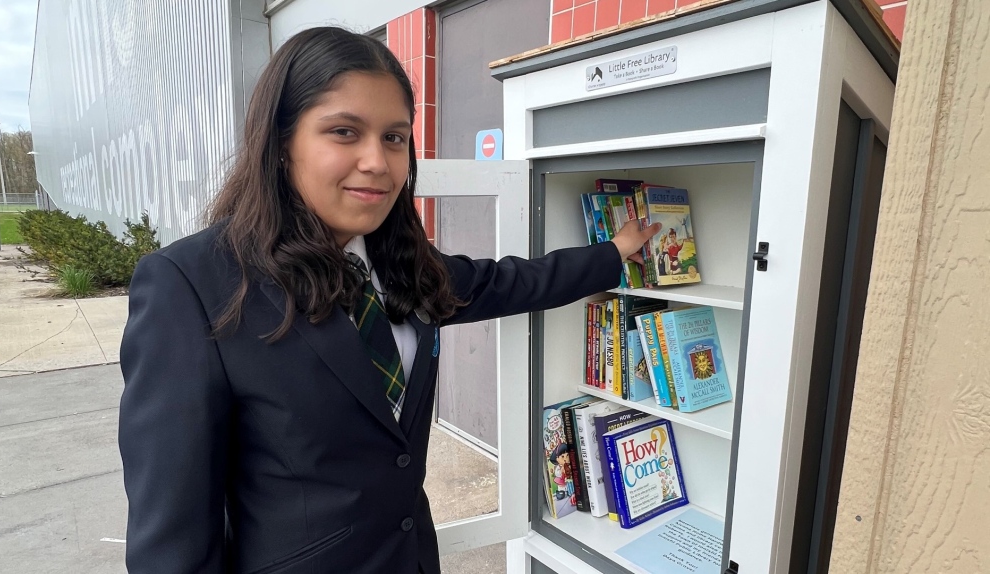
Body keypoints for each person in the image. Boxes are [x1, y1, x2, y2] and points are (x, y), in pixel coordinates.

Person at [117, 26, 658, 574]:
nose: (377, 161)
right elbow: (173, 533)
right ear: (283, 143)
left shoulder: (403, 266)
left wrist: (613, 253)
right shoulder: (194, 285)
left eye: (395, 137)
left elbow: (508, 282)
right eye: (345, 132)